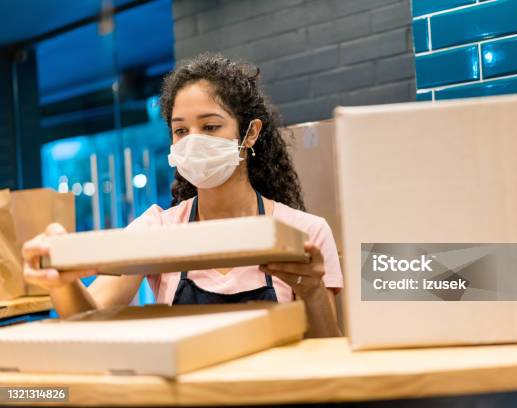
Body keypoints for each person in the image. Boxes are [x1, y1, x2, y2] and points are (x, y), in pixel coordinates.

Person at [22, 53, 343, 338]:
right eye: (181, 130)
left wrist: (312, 290)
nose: (193, 141)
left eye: (211, 127)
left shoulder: (303, 234)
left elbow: (328, 351)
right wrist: (61, 280)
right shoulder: (158, 230)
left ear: (251, 133)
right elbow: (87, 321)